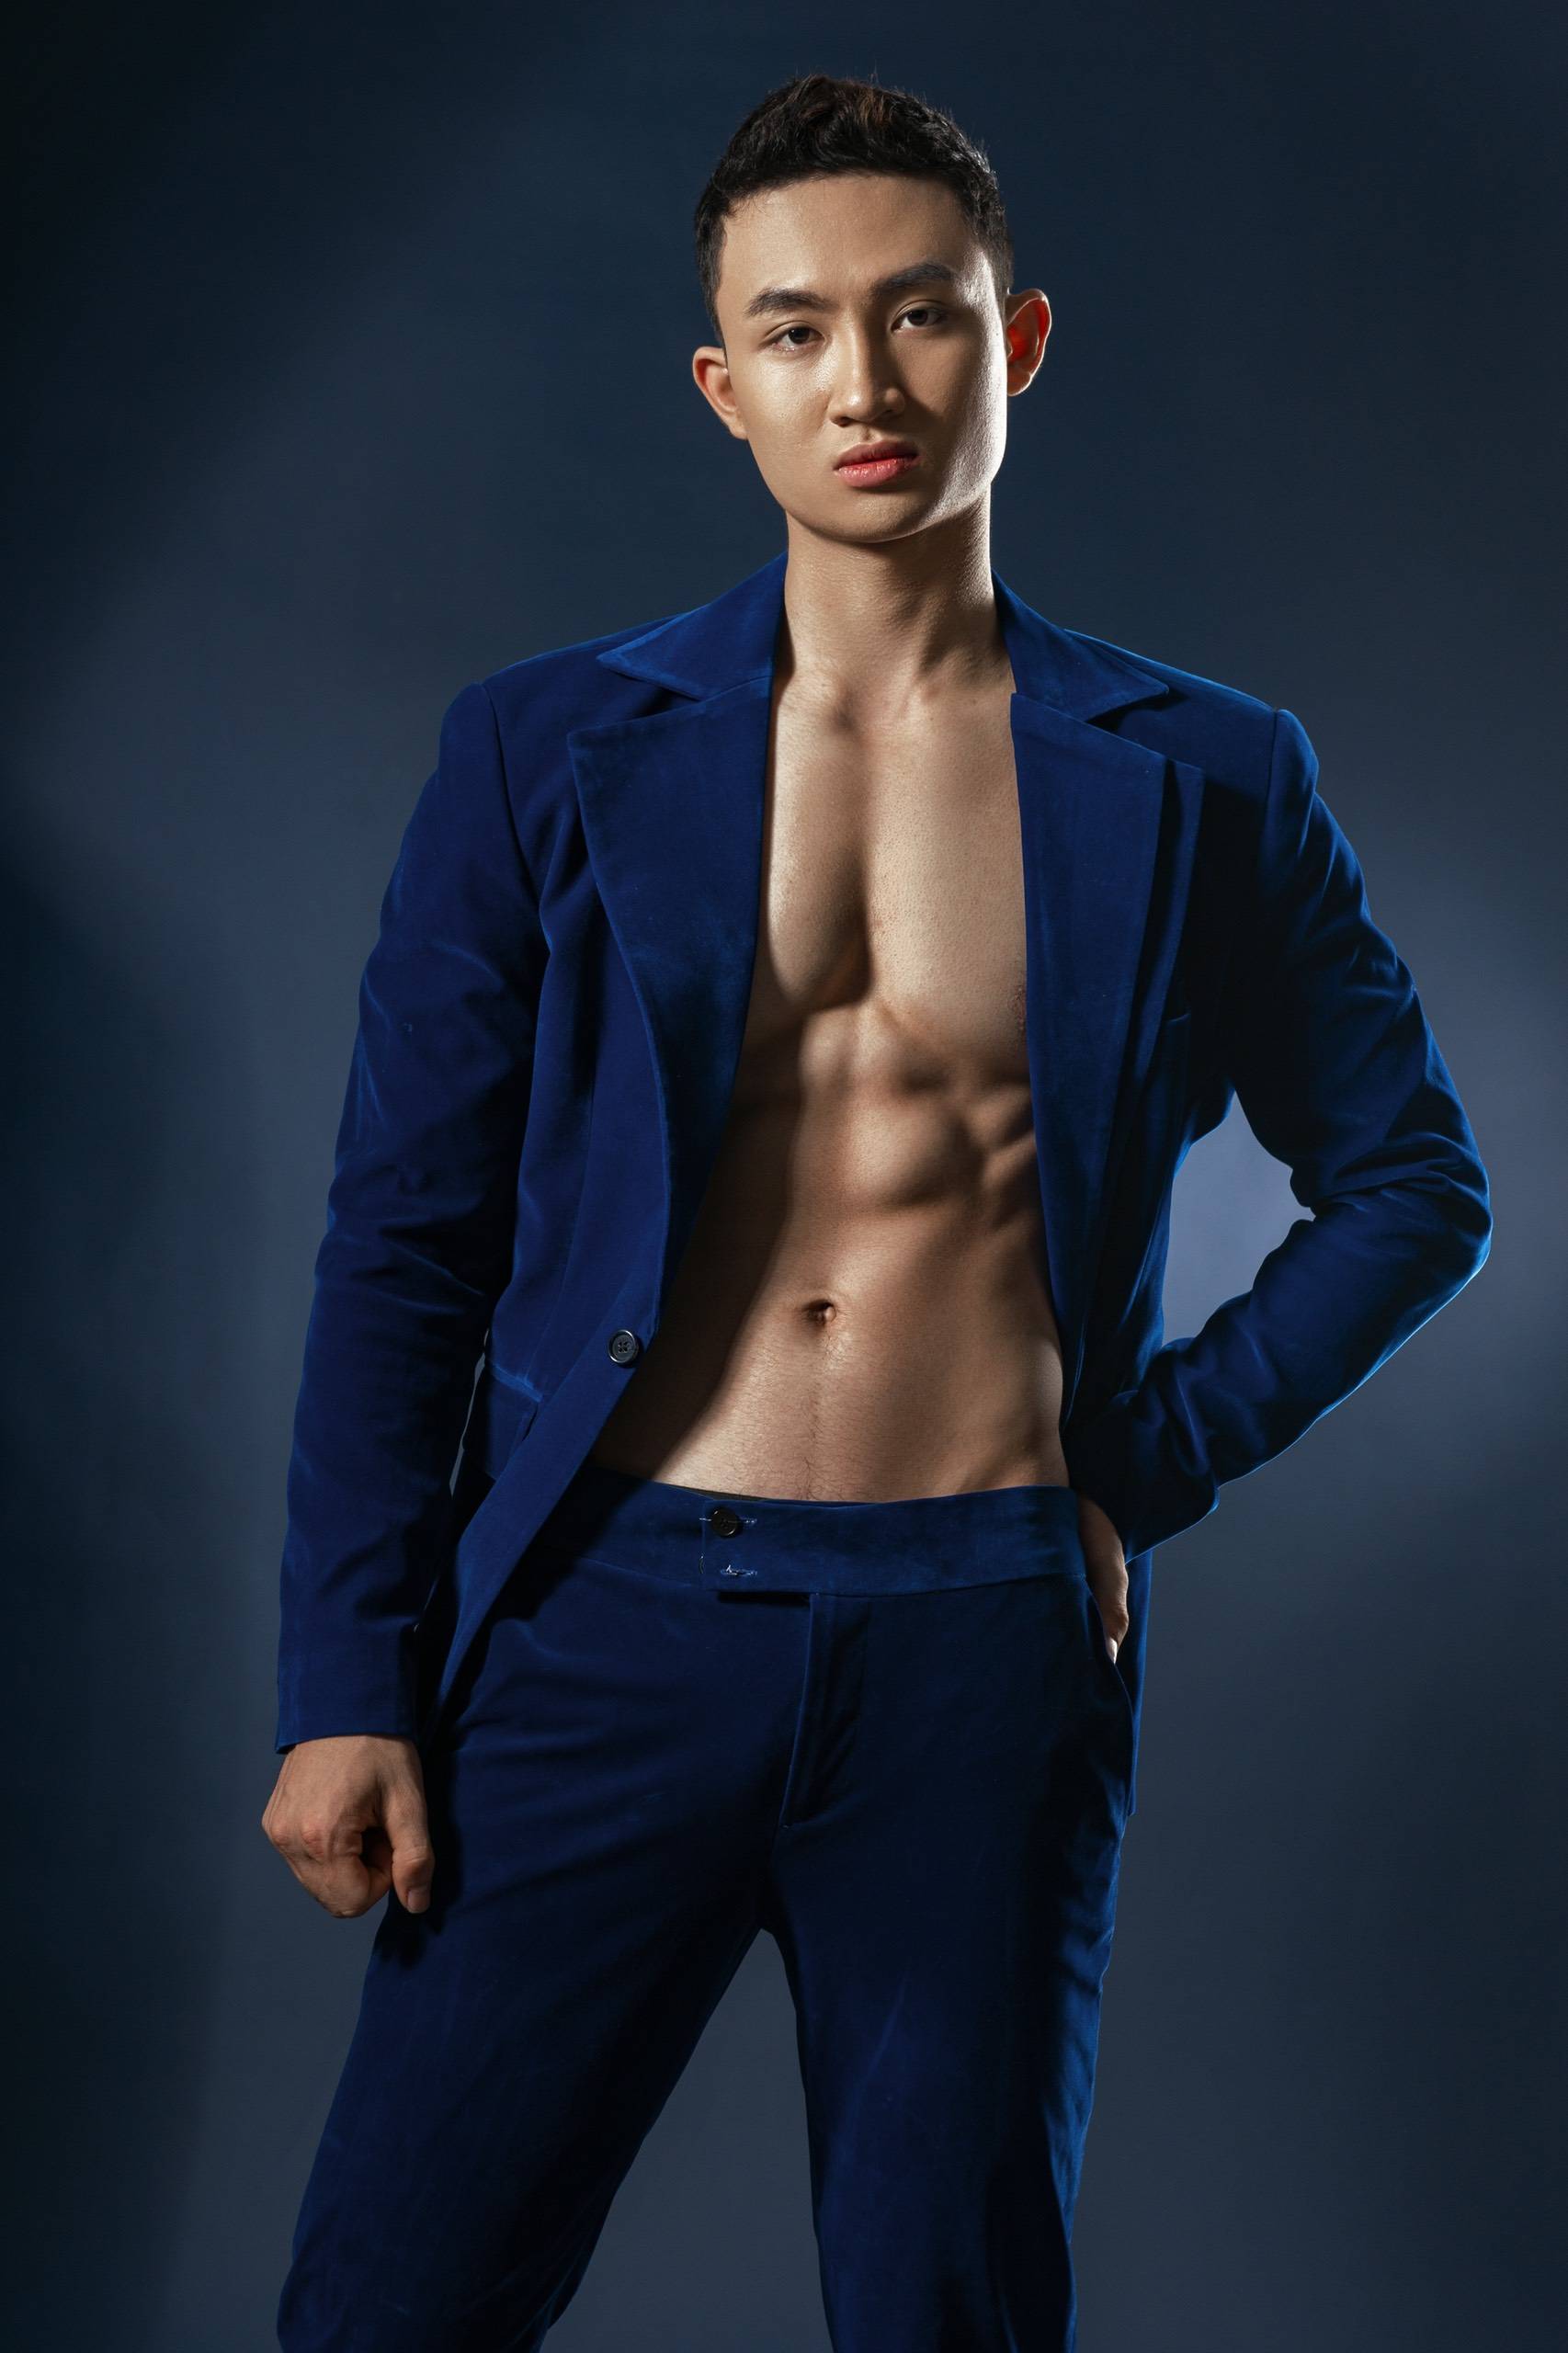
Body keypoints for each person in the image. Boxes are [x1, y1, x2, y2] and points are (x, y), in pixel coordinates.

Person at [265, 71, 1491, 2353]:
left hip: (977, 1645)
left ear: (1014, 344)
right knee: (387, 2308)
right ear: (722, 385)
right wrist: (348, 1677)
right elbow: (403, 1240)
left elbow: (1415, 1177)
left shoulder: (1205, 773)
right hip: (599, 1624)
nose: (865, 383)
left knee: (947, 2311)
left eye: (917, 316)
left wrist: (1141, 1460)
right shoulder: (541, 747)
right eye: (797, 330)